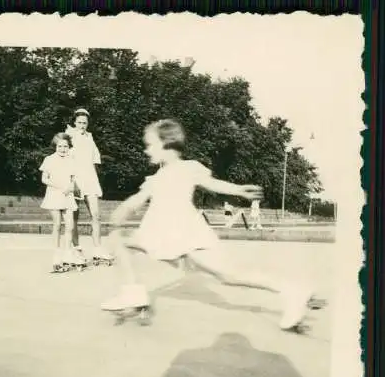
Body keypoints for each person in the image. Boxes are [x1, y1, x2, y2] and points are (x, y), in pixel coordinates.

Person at [101, 119, 314, 332]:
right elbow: (139, 198)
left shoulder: (188, 168)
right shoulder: (157, 177)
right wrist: (123, 209)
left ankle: (292, 291)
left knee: (230, 276)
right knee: (118, 239)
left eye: (150, 144)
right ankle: (133, 294)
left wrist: (238, 190)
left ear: (166, 143)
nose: (146, 150)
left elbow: (213, 184)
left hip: (186, 236)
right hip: (162, 234)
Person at [65, 108, 113, 263]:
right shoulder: (69, 136)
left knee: (96, 215)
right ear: (74, 122)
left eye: (84, 123)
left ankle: (98, 249)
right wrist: (71, 181)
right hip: (75, 180)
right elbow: (65, 160)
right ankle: (76, 249)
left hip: (90, 179)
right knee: (74, 216)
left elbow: (94, 161)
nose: (82, 125)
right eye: (79, 122)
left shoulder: (90, 138)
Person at [39, 133, 84, 272]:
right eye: (60, 146)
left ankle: (67, 254)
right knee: (57, 225)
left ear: (69, 147)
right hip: (54, 194)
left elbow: (73, 179)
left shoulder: (72, 160)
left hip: (67, 195)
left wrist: (71, 187)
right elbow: (44, 179)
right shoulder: (49, 159)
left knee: (69, 226)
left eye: (65, 146)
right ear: (55, 147)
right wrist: (59, 186)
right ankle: (56, 255)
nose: (63, 149)